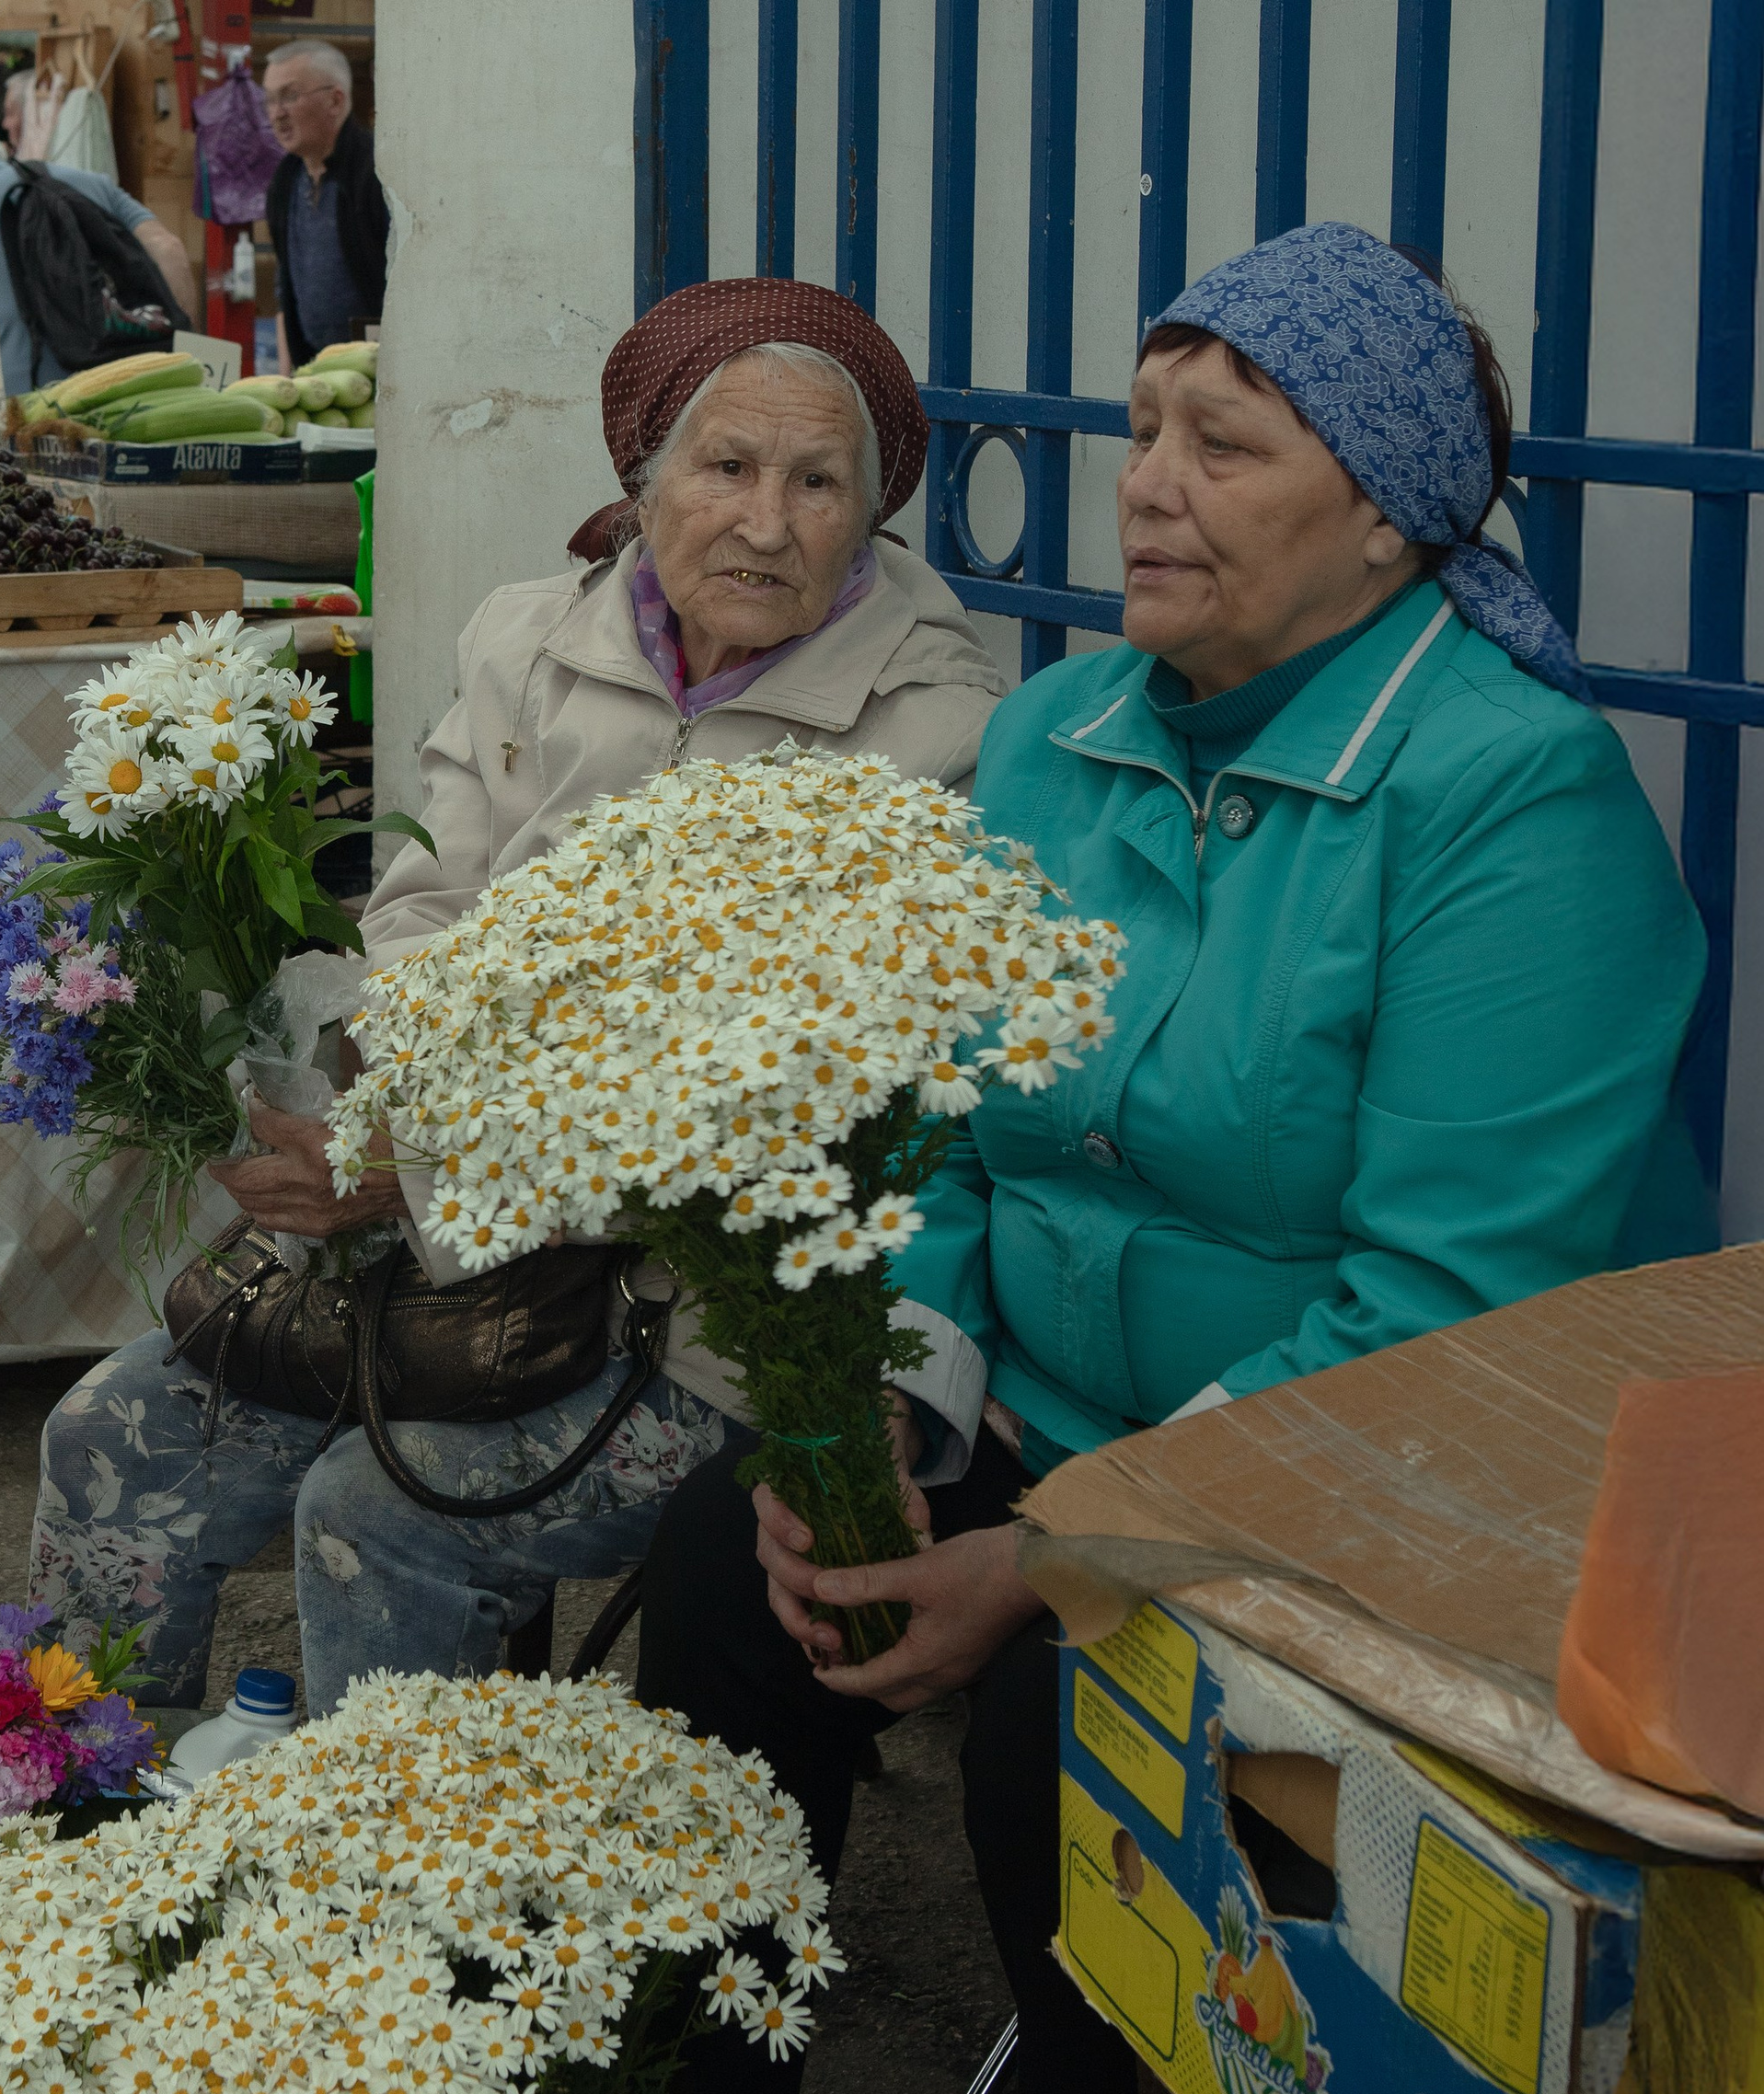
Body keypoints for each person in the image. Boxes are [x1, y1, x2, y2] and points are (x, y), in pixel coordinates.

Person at [634, 223, 1712, 2091]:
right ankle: (704, 2045)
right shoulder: (1060, 735)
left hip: (1381, 1490)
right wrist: (879, 1422)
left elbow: (1441, 1310)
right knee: (736, 1577)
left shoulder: (1506, 797)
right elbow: (954, 1146)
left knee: (1062, 1706)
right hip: (1053, 1419)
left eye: (1222, 445)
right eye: (1140, 432)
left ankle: (1089, 2044)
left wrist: (1056, 1558)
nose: (1143, 486)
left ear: (1382, 516)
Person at [29, 278, 1007, 1716]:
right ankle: (100, 1825)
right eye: (726, 468)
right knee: (112, 1438)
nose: (765, 521)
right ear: (643, 475)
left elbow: (761, 1097)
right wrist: (356, 1099)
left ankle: (422, 1912)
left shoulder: (933, 737)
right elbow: (427, 913)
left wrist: (420, 1168)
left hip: (706, 1305)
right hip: (447, 1258)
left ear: (871, 513)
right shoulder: (530, 638)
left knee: (381, 1517)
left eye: (818, 483)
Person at [0, 132, 201, 398]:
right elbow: (167, 248)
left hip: (24, 416)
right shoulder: (92, 184)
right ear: (3, 154)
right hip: (130, 386)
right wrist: (183, 352)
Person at [263, 40, 389, 367]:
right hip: (315, 372)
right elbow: (285, 289)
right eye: (270, 100)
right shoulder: (285, 180)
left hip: (381, 368)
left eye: (290, 96)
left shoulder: (379, 174)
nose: (277, 114)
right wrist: (287, 377)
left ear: (335, 101)